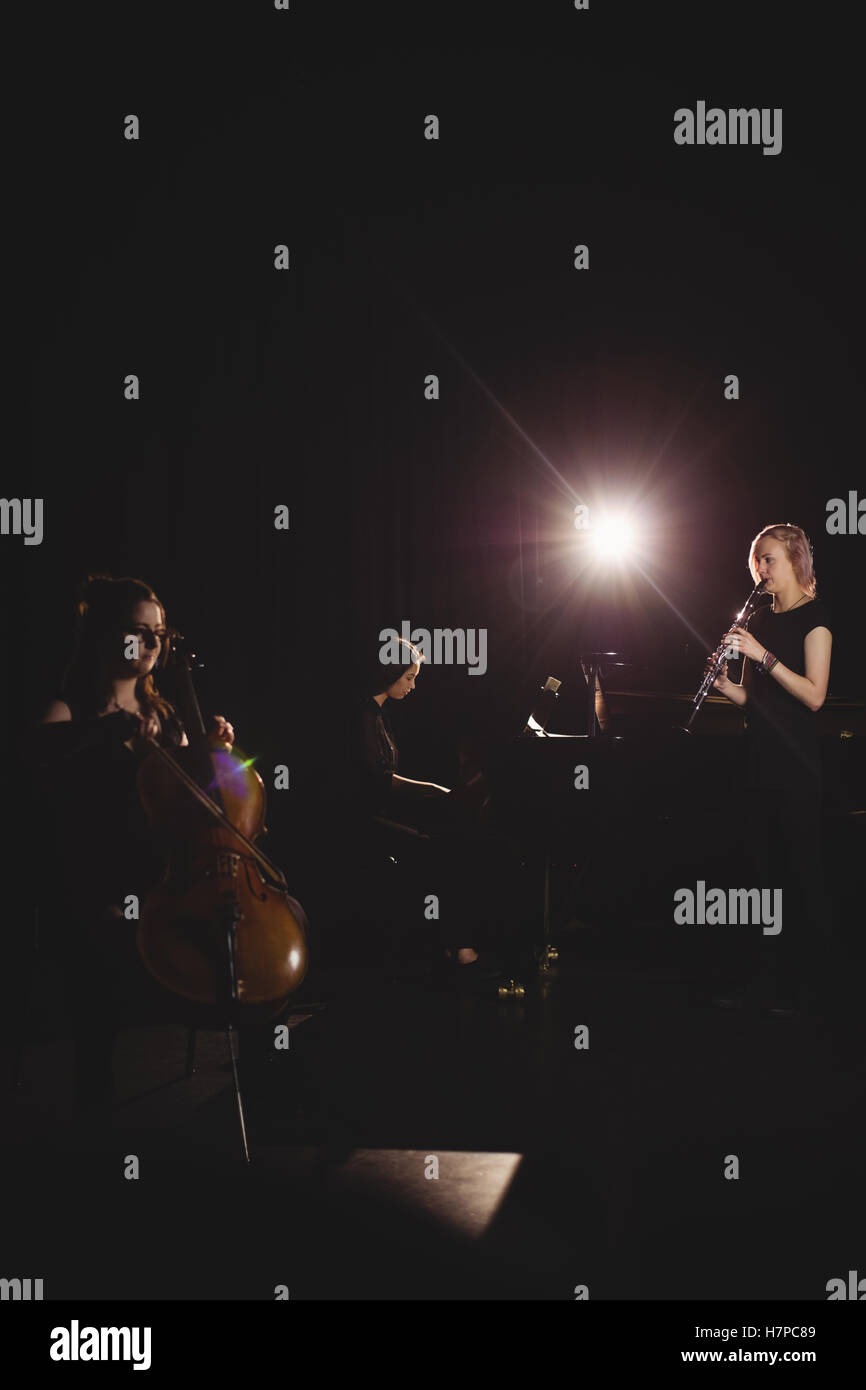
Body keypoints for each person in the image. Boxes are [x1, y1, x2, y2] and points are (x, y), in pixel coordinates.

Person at [33, 575, 236, 1108]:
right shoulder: (65, 714)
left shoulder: (167, 718)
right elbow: (46, 799)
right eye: (137, 631)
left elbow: (200, 804)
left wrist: (213, 753)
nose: (152, 644)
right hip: (97, 886)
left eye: (159, 633)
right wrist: (110, 742)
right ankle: (96, 1101)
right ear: (102, 635)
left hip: (165, 882)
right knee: (100, 947)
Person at [710, 524, 832, 1015]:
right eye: (757, 560)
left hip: (796, 769)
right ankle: (766, 982)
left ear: (795, 561)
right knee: (762, 880)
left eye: (770, 560)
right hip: (758, 761)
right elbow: (756, 702)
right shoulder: (759, 619)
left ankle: (815, 989)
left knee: (803, 878)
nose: (761, 569)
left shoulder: (815, 618)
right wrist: (724, 686)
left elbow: (814, 696)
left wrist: (763, 656)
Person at [348, 638, 503, 978]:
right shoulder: (361, 715)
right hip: (360, 819)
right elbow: (379, 781)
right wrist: (434, 791)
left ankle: (452, 942)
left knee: (452, 840)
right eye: (408, 677)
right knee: (437, 852)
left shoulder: (380, 714)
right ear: (389, 673)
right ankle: (457, 946)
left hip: (382, 812)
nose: (413, 686)